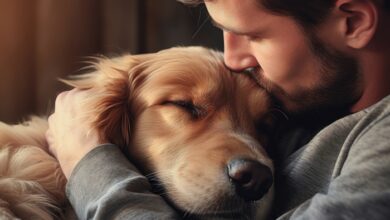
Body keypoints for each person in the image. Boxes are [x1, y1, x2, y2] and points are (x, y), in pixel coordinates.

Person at [46, 0, 390, 219]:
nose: (233, 59)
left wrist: (89, 166)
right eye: (187, 106)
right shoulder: (299, 110)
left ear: (354, 23)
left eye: (253, 36)